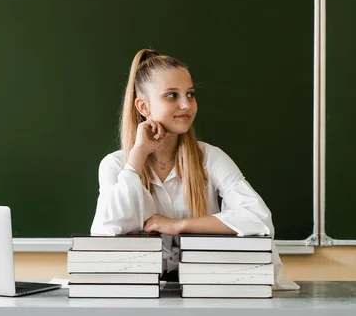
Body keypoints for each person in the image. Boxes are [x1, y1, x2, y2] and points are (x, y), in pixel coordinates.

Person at [90, 48, 284, 287]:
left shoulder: (210, 158)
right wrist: (138, 155)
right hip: (138, 294)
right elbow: (108, 233)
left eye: (190, 94)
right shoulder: (116, 165)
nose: (186, 105)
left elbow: (259, 219)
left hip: (205, 291)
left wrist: (178, 226)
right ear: (143, 107)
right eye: (172, 95)